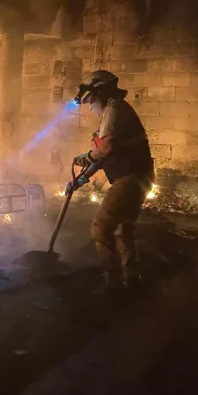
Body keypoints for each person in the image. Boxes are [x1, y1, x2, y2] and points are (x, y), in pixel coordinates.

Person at [69, 70, 154, 293]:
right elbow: (102, 156)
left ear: (101, 92)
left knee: (101, 229)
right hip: (138, 176)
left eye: (90, 100)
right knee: (123, 230)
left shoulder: (114, 110)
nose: (90, 106)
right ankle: (131, 281)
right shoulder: (113, 114)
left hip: (130, 177)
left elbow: (104, 149)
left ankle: (113, 282)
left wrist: (86, 156)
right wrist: (82, 179)